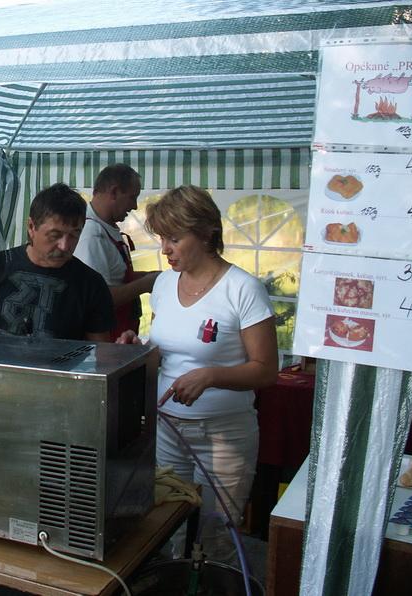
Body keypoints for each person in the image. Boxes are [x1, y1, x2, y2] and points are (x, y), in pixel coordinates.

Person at [120, 185, 278, 562]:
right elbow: (170, 351)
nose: (165, 249)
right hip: (168, 430)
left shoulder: (243, 289)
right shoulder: (163, 284)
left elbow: (266, 370)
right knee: (167, 528)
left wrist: (210, 376)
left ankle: (211, 583)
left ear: (206, 234)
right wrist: (138, 350)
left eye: (174, 239)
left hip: (223, 436)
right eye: (162, 239)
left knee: (214, 536)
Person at [0, 183, 114, 343]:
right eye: (54, 235)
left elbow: (99, 353)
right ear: (31, 227)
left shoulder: (91, 284)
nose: (65, 246)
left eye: (73, 235)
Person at [73, 163, 159, 339]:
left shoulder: (106, 228)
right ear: (114, 192)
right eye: (132, 197)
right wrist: (146, 283)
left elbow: (117, 276)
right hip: (108, 339)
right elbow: (99, 298)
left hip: (122, 334)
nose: (135, 206)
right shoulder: (91, 234)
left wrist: (151, 276)